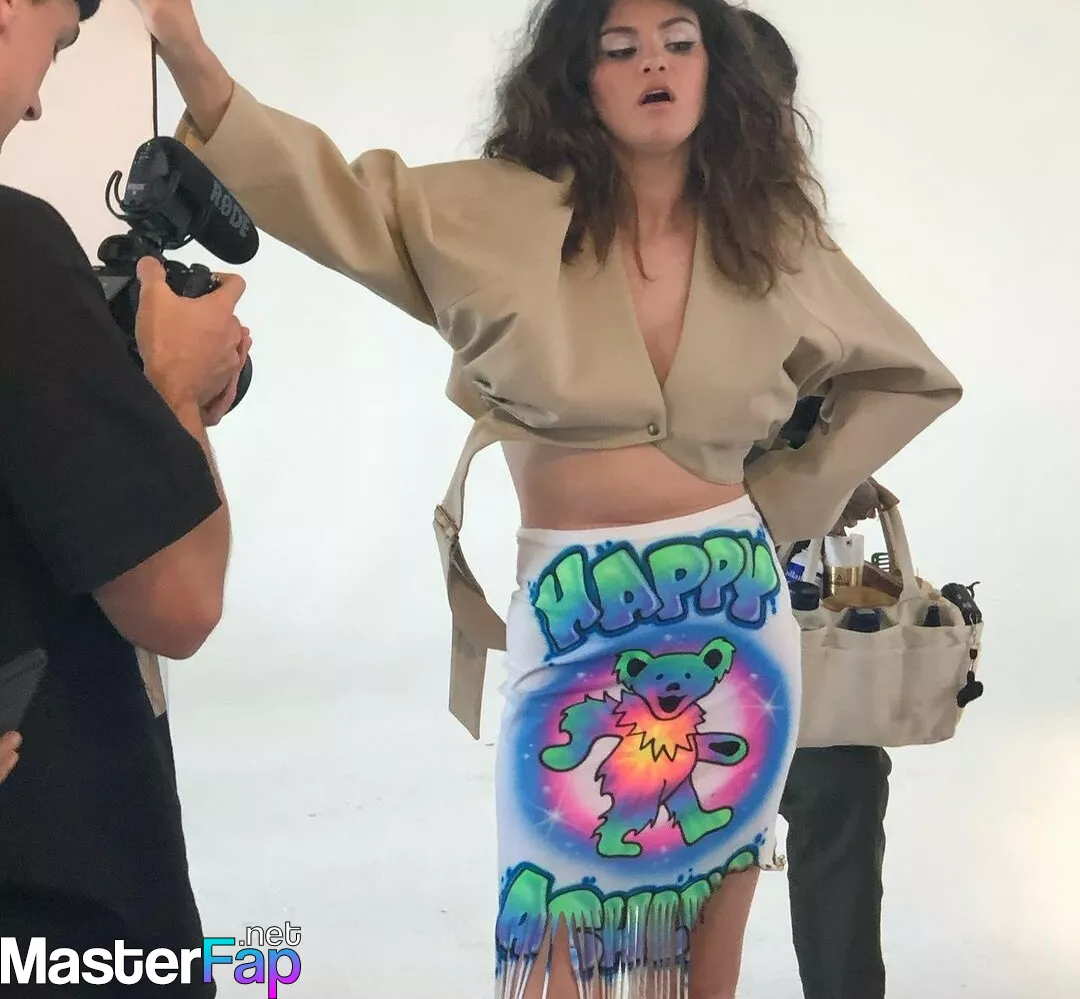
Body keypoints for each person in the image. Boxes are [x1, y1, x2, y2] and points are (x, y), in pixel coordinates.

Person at [134, 0, 962, 995]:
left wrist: (782, 502)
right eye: (621, 48)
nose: (654, 63)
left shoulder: (770, 236)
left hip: (733, 625)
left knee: (707, 945)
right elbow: (328, 199)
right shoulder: (490, 218)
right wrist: (186, 50)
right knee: (551, 937)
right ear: (579, 76)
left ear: (718, 71)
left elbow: (909, 377)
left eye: (680, 43)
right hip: (572, 627)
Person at [0, 0, 251, 994]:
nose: (35, 105)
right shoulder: (11, 250)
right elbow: (178, 602)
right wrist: (177, 390)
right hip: (55, 903)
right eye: (57, 45)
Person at [740, 14, 893, 998]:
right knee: (663, 818)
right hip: (658, 577)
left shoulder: (789, 237)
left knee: (839, 778)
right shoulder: (610, 238)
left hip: (785, 579)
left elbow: (841, 377)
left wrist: (836, 464)